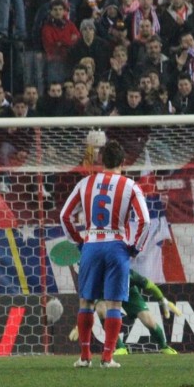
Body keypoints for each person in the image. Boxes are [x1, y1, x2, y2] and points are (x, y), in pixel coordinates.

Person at [59, 139, 150, 369]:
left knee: (86, 302)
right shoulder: (130, 186)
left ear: (101, 161)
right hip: (116, 246)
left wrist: (79, 241)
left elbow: (64, 216)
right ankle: (108, 358)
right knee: (114, 304)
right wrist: (135, 247)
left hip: (91, 243)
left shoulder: (85, 183)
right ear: (123, 162)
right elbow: (145, 220)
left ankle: (84, 356)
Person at [68, 269, 180, 355]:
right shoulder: (98, 279)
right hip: (107, 296)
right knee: (101, 309)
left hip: (129, 294)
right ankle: (120, 347)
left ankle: (164, 346)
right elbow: (90, 302)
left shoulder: (129, 275)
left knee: (148, 320)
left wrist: (163, 300)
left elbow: (150, 286)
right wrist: (80, 326)